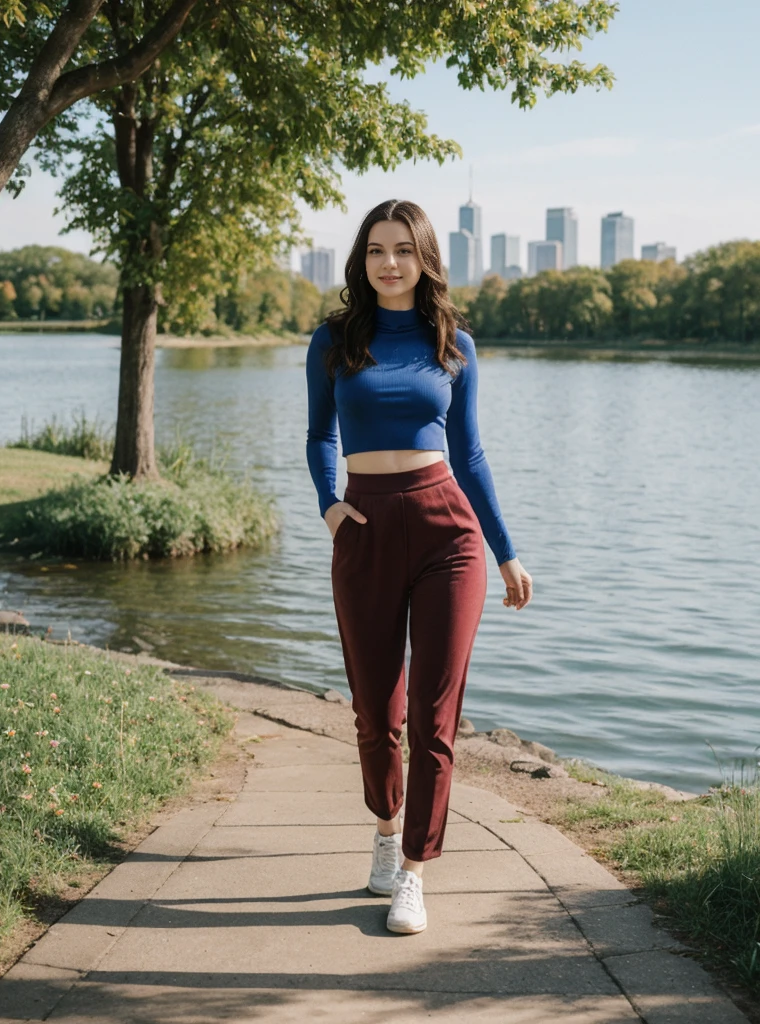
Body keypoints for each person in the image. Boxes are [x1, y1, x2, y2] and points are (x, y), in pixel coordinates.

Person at [305, 198, 533, 935]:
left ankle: (413, 873)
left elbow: (469, 455)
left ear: (425, 257)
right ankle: (383, 826)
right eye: (376, 250)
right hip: (365, 528)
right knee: (377, 714)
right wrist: (330, 507)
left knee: (435, 720)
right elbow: (318, 436)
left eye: (404, 249)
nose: (390, 263)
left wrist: (505, 551)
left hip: (447, 534)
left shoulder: (453, 343)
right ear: (361, 260)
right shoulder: (334, 341)